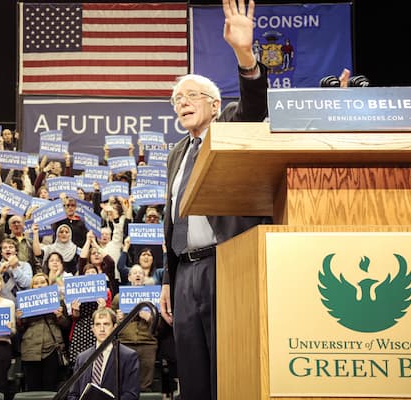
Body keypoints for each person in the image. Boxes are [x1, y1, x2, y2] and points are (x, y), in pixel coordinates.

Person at [160, 2, 270, 400]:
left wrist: (244, 53)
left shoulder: (232, 128)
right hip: (185, 274)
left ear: (214, 104)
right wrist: (169, 279)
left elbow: (257, 103)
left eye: (191, 95)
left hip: (226, 263)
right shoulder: (176, 153)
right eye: (176, 99)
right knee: (191, 371)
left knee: (230, 362)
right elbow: (173, 221)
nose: (182, 102)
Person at [67, 307, 140, 400]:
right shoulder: (82, 358)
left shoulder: (128, 356)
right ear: (93, 329)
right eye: (98, 324)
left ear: (114, 327)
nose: (102, 329)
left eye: (106, 324)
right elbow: (73, 394)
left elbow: (132, 394)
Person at [16, 272, 70, 391]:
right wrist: (19, 319)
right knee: (33, 388)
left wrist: (60, 316)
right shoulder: (23, 303)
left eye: (42, 282)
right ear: (32, 287)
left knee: (51, 387)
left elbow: (66, 326)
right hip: (31, 349)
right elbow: (19, 330)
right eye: (36, 283)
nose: (40, 285)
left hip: (52, 348)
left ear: (48, 284)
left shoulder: (58, 301)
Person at [112, 265, 159, 392]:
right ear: (129, 277)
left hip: (147, 343)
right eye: (134, 273)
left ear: (144, 277)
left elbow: (162, 326)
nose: (138, 275)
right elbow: (110, 323)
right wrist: (118, 319)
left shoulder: (153, 296)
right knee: (123, 384)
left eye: (140, 273)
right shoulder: (118, 297)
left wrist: (150, 318)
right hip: (125, 343)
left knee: (144, 386)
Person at [0, 238, 33, 302]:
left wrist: (15, 268)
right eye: (4, 248)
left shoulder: (25, 265)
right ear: (1, 253)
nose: (8, 249)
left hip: (20, 305)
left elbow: (27, 284)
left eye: (11, 247)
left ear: (16, 251)